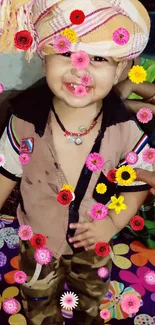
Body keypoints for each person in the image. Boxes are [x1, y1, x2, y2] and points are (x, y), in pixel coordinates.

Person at [0, 0, 152, 324]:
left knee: (91, 298)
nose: (79, 67)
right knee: (38, 300)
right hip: (37, 241)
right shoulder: (22, 123)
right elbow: (4, 174)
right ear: (44, 59)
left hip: (94, 240)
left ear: (121, 69)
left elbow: (139, 182)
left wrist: (111, 223)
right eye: (66, 52)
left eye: (98, 58)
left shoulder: (125, 130)